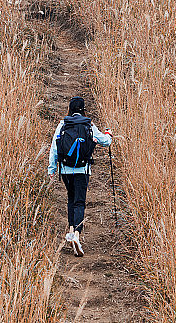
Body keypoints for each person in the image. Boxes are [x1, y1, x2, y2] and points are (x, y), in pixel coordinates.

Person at [48, 96, 112, 256]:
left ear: (69, 108)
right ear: (83, 109)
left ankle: (71, 231)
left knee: (71, 199)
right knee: (80, 201)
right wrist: (108, 134)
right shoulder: (88, 124)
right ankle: (76, 235)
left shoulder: (63, 124)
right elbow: (105, 141)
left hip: (65, 169)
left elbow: (54, 147)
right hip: (82, 170)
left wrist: (51, 169)